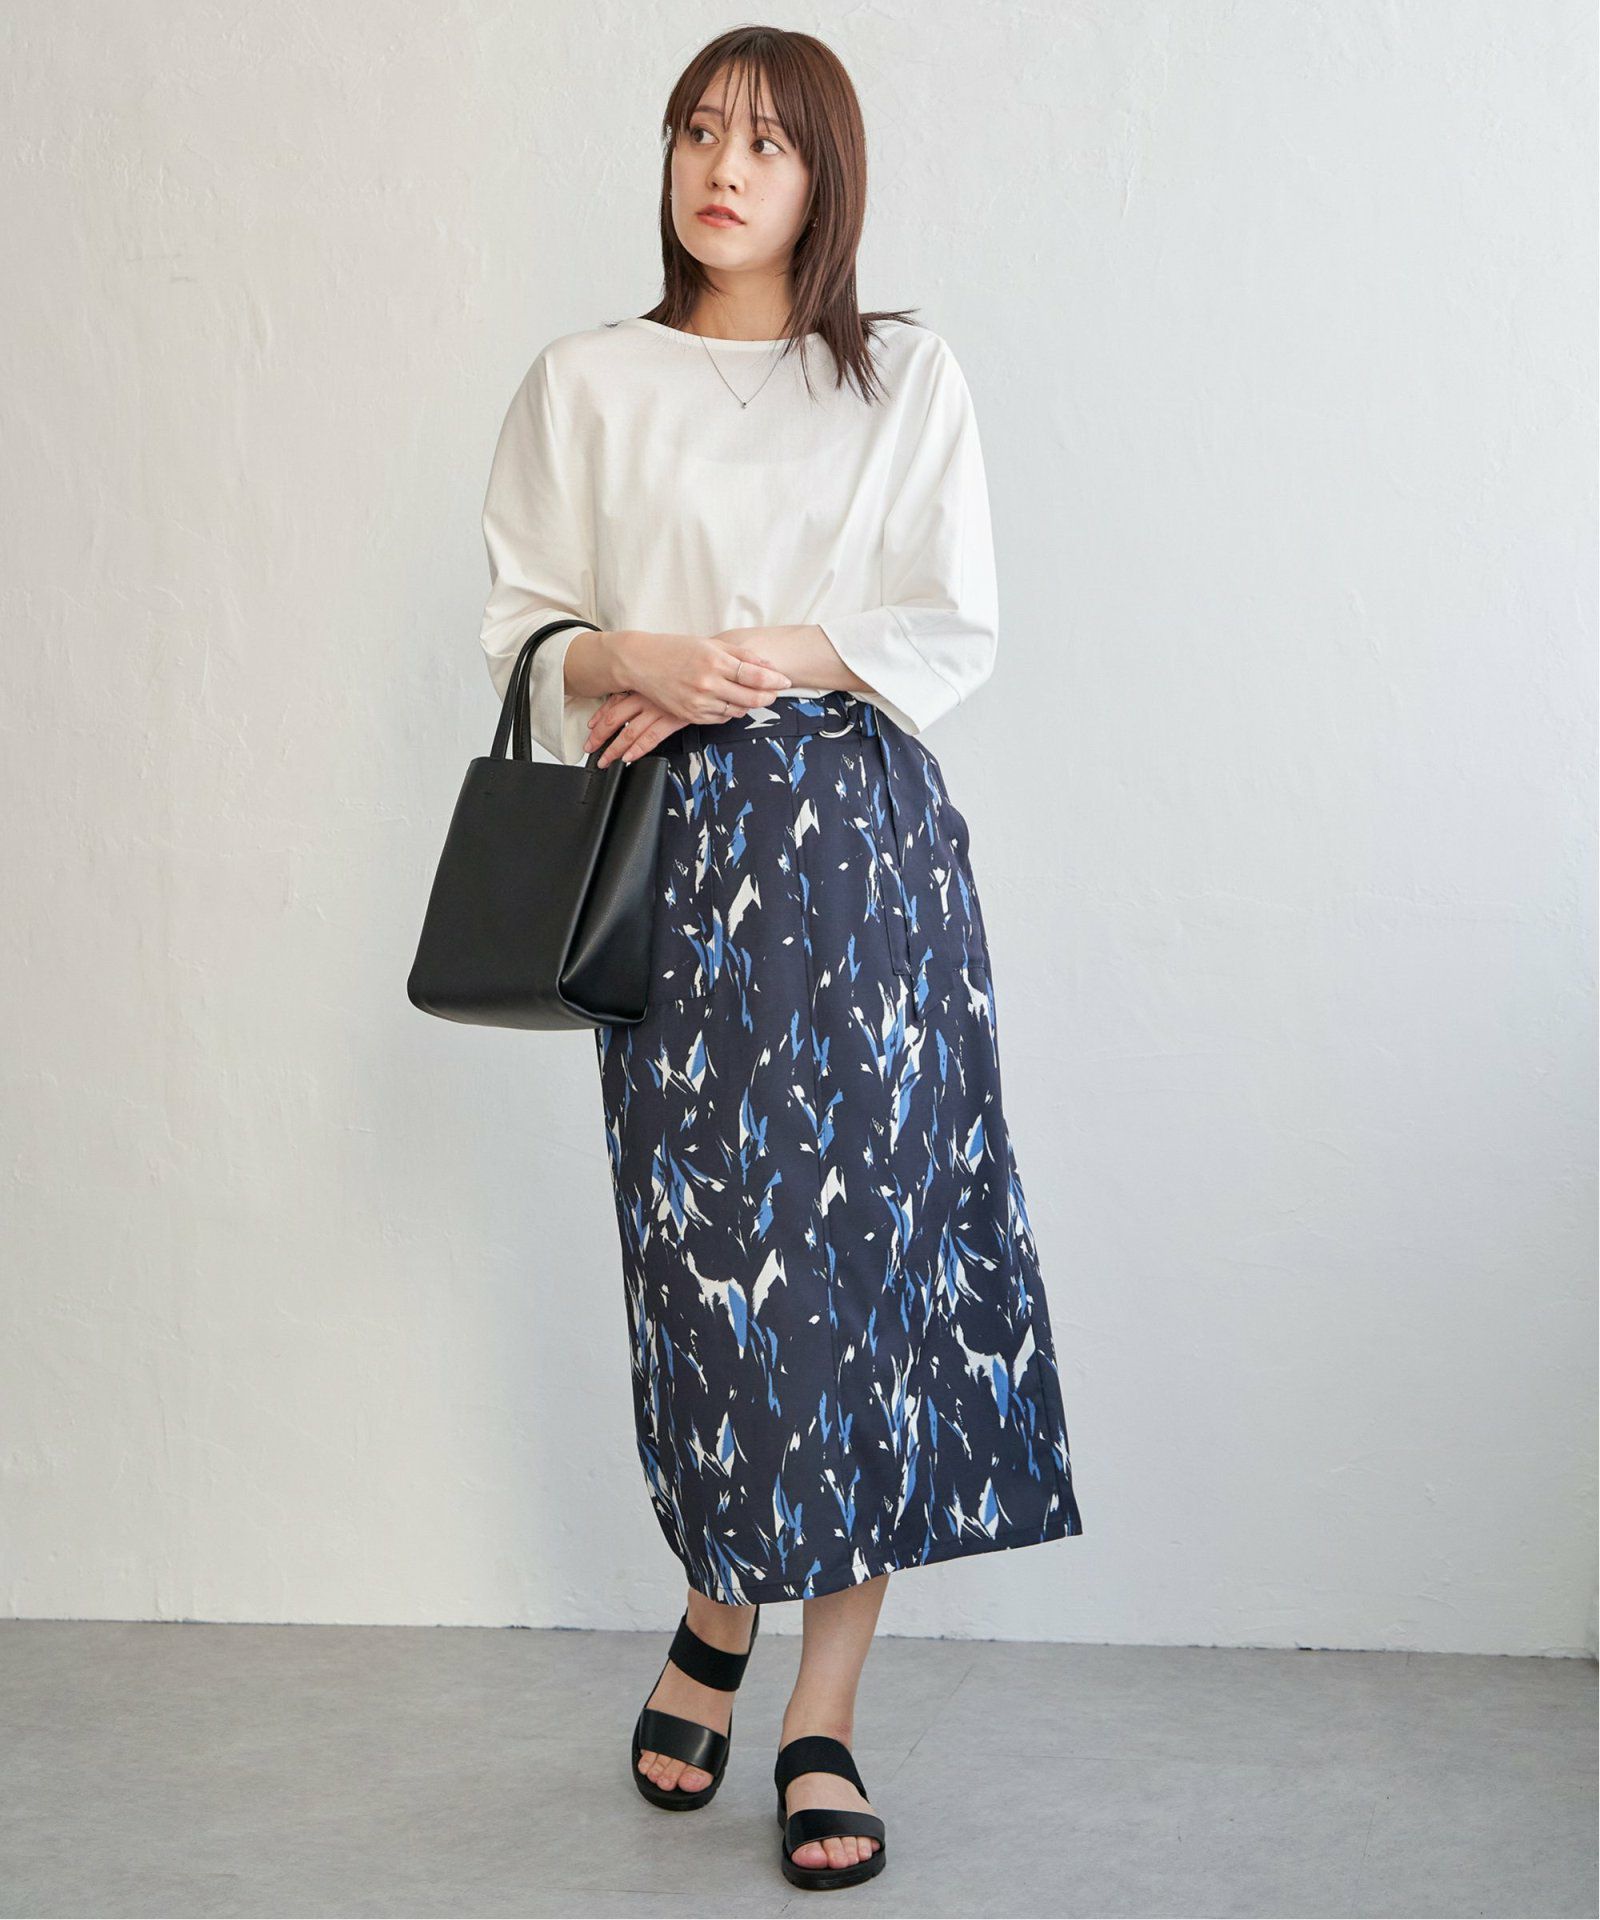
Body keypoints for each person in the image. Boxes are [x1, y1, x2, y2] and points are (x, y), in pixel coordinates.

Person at [477, 26, 1084, 1894]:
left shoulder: (901, 376)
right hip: (669, 862)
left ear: (826, 174)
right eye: (694, 133)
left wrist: (761, 662)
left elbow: (948, 620)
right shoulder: (586, 381)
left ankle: (821, 1711)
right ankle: (715, 1602)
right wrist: (643, 658)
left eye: (762, 141)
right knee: (710, 1269)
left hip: (863, 866)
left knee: (869, 1280)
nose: (720, 169)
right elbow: (522, 630)